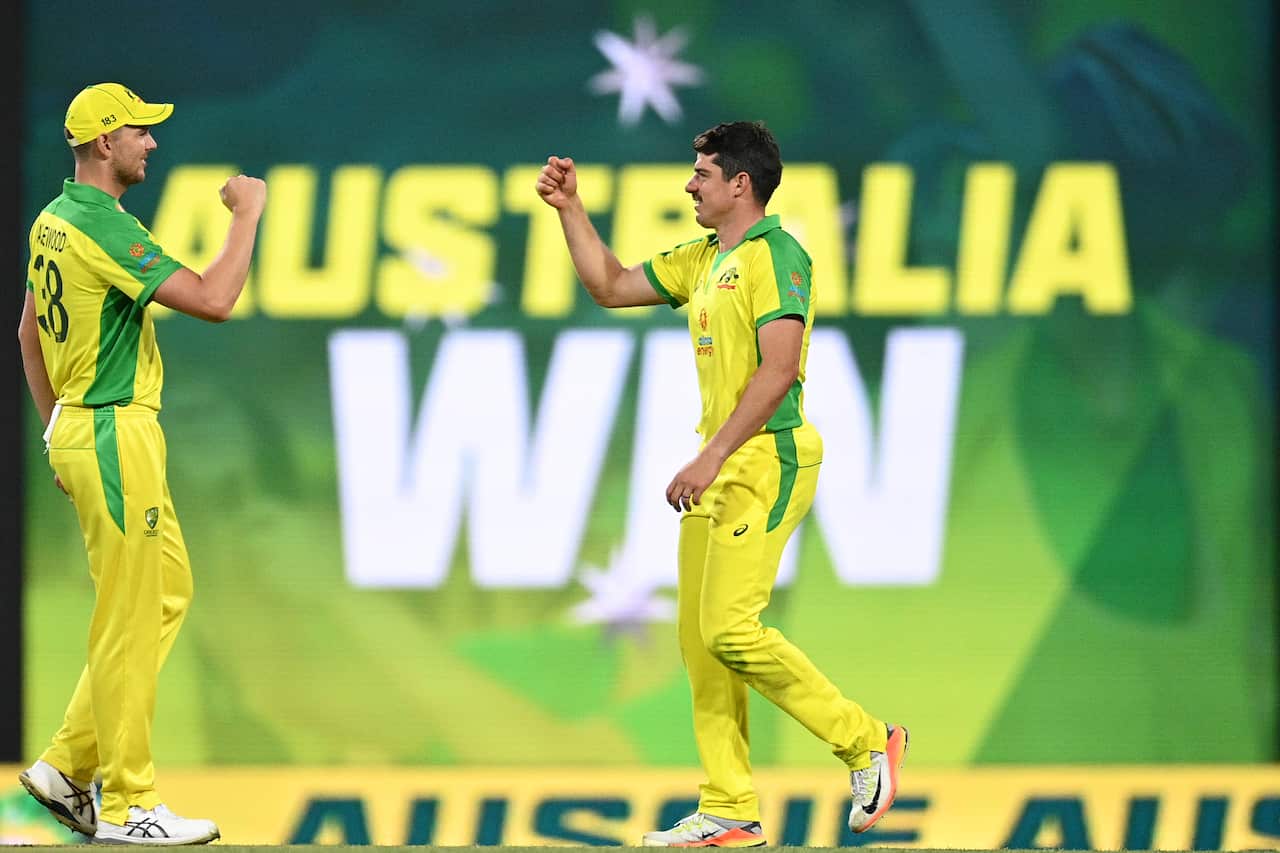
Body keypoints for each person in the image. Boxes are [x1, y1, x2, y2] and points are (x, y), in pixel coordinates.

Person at [536, 120, 908, 847]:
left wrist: (712, 456)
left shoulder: (778, 255)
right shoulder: (706, 258)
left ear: (741, 184)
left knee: (732, 628)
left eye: (702, 173)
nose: (689, 184)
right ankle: (730, 806)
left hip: (768, 456)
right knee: (701, 644)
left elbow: (780, 369)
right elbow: (610, 285)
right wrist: (570, 211)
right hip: (723, 464)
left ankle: (866, 742)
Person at [16, 82, 266, 845]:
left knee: (163, 596)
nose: (151, 143)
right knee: (127, 619)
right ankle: (128, 804)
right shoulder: (97, 224)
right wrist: (248, 213)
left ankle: (66, 766)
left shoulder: (52, 220)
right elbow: (216, 299)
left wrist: (55, 429)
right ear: (103, 144)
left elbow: (26, 332)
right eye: (139, 133)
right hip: (115, 434)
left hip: (87, 428)